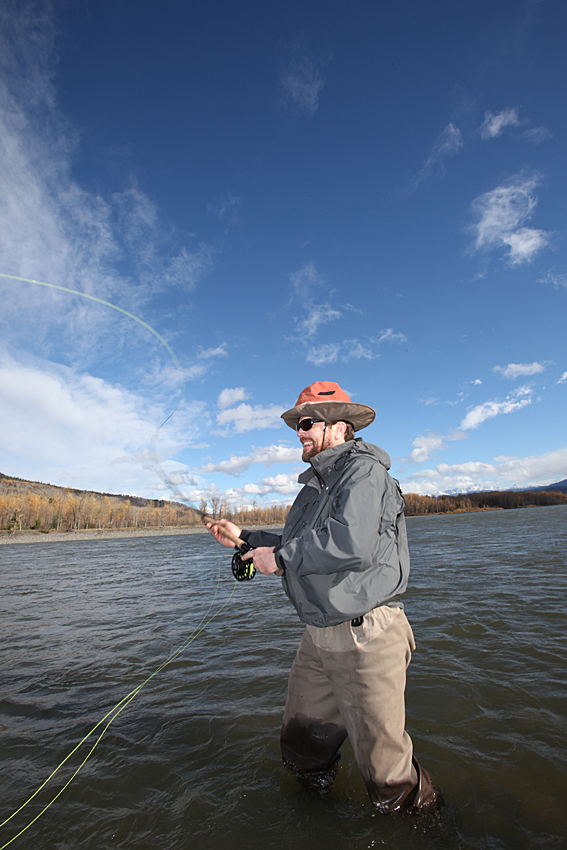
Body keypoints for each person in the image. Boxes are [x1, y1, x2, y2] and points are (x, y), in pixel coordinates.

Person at [208, 380, 439, 814]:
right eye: (297, 424)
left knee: (389, 781)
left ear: (339, 426)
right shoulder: (316, 485)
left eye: (308, 422)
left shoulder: (365, 473)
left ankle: (432, 831)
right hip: (319, 636)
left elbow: (349, 543)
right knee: (302, 750)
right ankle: (311, 820)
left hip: (365, 637)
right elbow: (299, 543)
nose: (299, 431)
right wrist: (245, 538)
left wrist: (278, 557)